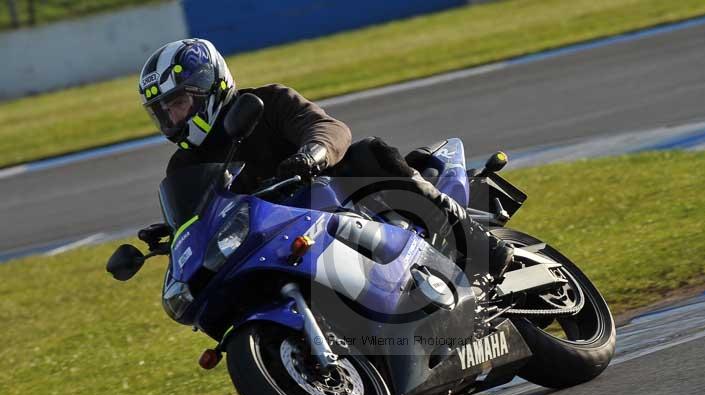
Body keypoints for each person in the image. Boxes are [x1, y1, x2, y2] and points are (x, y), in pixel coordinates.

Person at [138, 38, 513, 277]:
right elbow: (208, 211)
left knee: (370, 152)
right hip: (281, 238)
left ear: (208, 88)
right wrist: (175, 231)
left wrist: (311, 155)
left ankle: (476, 243)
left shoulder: (267, 102)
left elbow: (329, 129)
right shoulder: (185, 166)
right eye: (163, 111)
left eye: (178, 103)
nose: (172, 118)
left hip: (334, 199)